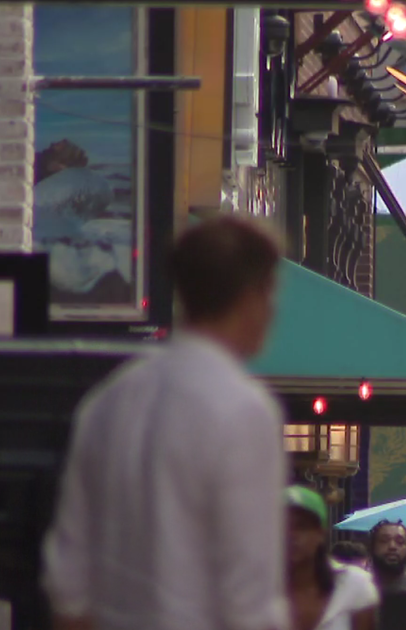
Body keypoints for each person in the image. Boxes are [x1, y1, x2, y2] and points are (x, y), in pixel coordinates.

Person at [41, 216, 288, 630]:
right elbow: (249, 600)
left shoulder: (109, 400)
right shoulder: (243, 411)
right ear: (253, 295)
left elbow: (68, 583)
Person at [286, 486, 380, 630]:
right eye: (283, 526)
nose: (291, 536)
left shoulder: (355, 585)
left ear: (320, 534)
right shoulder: (253, 590)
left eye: (302, 526)